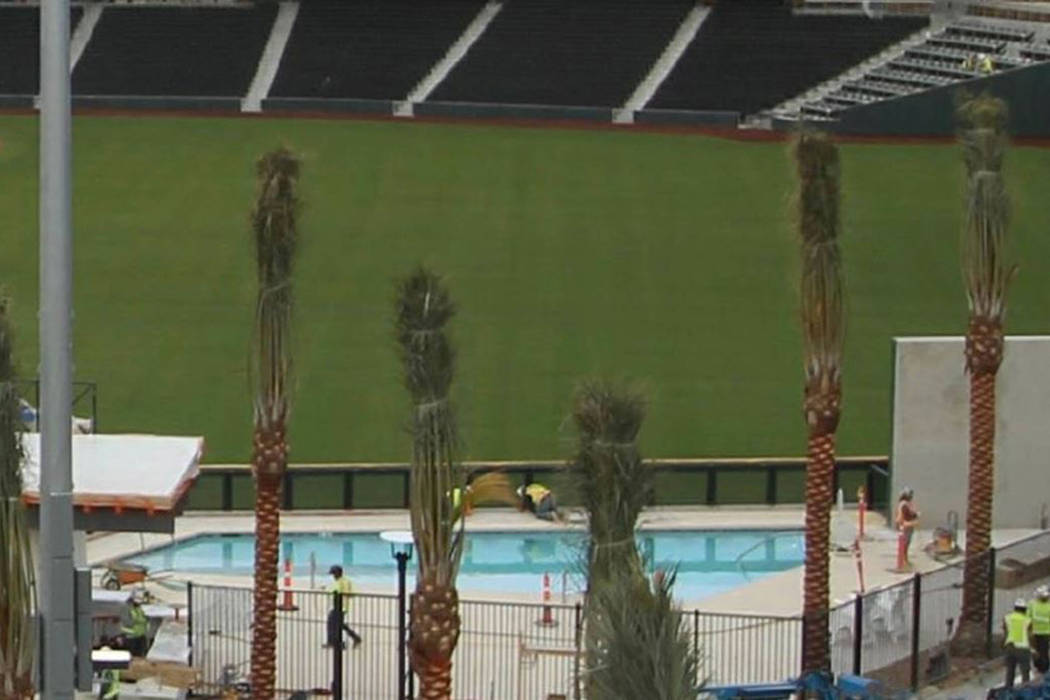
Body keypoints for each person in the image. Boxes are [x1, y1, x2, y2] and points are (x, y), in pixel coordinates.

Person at [326, 565, 362, 649]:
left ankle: (335, 642)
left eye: (334, 574)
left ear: (338, 573)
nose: (333, 576)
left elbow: (337, 592)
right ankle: (355, 638)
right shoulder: (345, 580)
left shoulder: (341, 582)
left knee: (332, 622)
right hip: (342, 606)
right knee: (340, 624)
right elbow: (351, 593)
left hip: (339, 606)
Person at [1004, 598, 1033, 688]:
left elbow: (1005, 631)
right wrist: (1033, 649)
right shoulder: (1028, 620)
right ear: (1024, 609)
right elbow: (1030, 635)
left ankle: (1008, 691)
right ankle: (1025, 692)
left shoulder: (1007, 618)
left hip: (1010, 646)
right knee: (1025, 672)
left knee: (1010, 671)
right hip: (1023, 648)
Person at [895, 488, 920, 566]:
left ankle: (905, 559)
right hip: (905, 525)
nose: (911, 497)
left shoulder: (906, 503)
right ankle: (903, 560)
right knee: (905, 543)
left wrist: (915, 514)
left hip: (907, 525)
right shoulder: (904, 504)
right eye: (910, 495)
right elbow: (906, 515)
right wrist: (915, 516)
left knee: (907, 543)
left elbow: (910, 513)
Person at [1030, 586, 1050, 677]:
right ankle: (1044, 669)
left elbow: (1027, 617)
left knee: (1036, 651)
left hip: (1035, 632)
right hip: (1046, 632)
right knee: (1044, 651)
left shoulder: (1032, 604)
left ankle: (1039, 667)